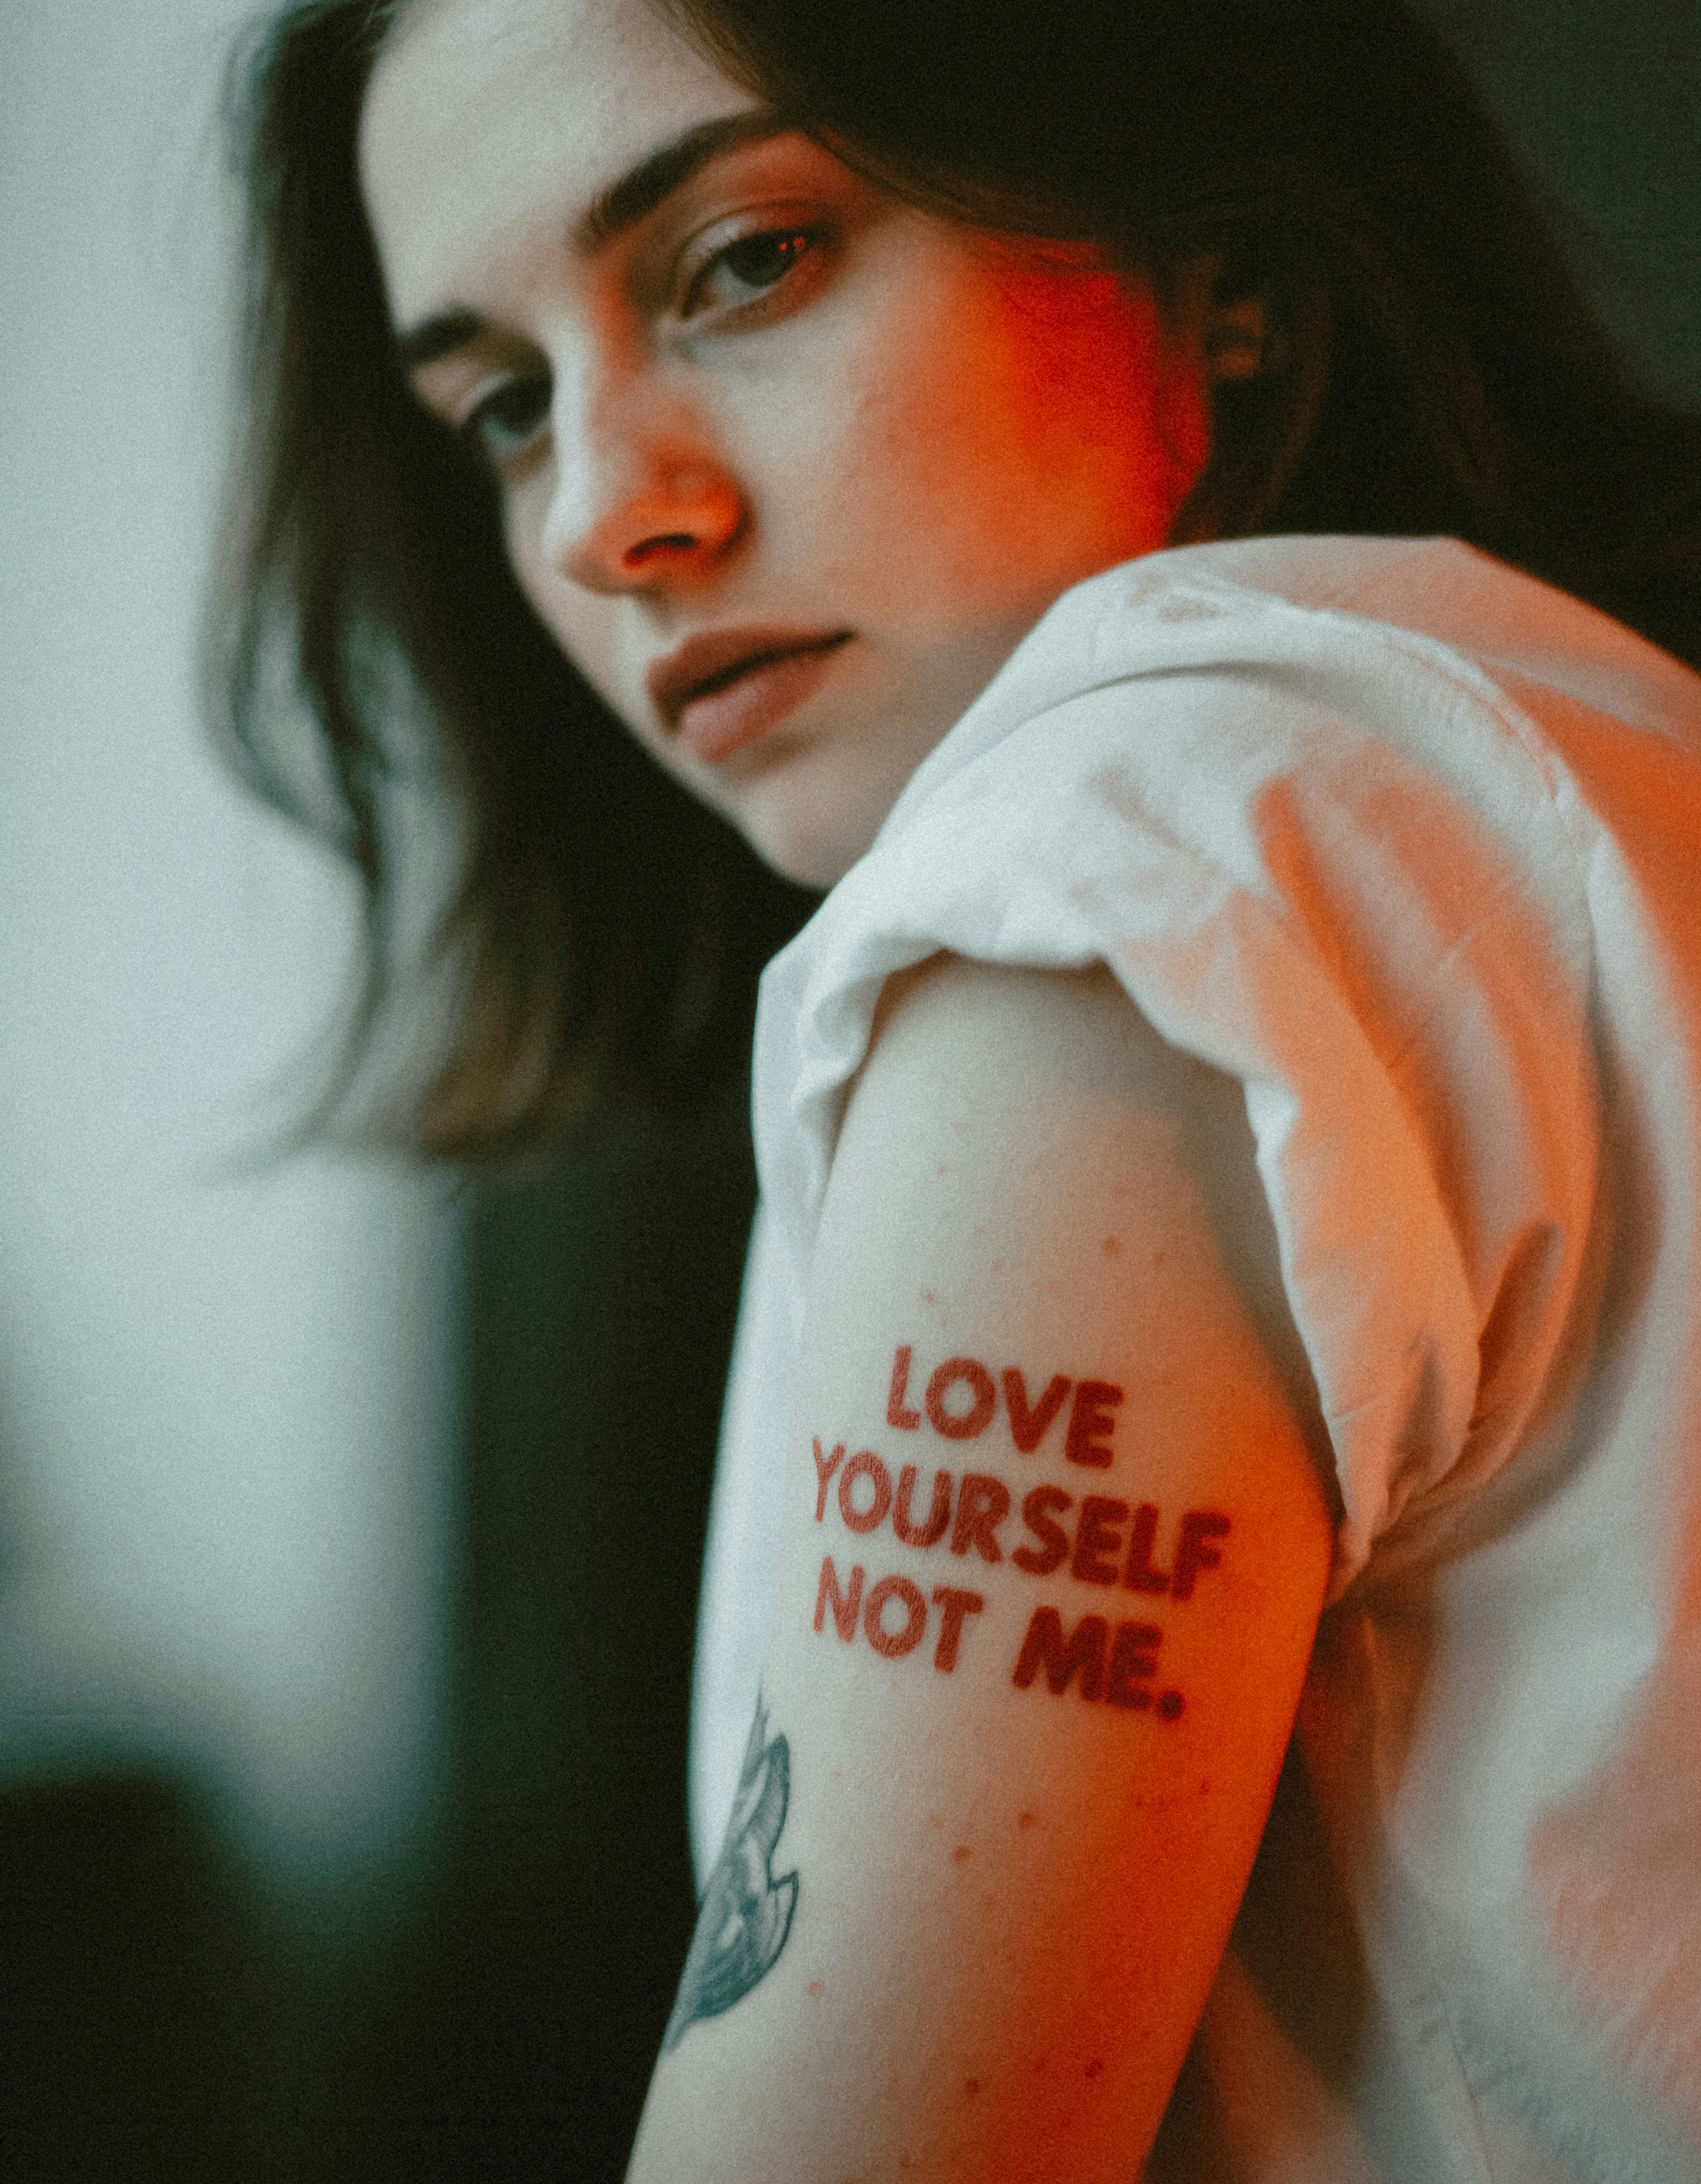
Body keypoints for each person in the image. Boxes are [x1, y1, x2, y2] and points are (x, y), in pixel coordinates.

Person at [215, 0, 1701, 2173]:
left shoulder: (1120, 870)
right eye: (507, 407)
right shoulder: (1602, 771)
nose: (605, 516)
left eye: (747, 262)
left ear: (1212, 250)